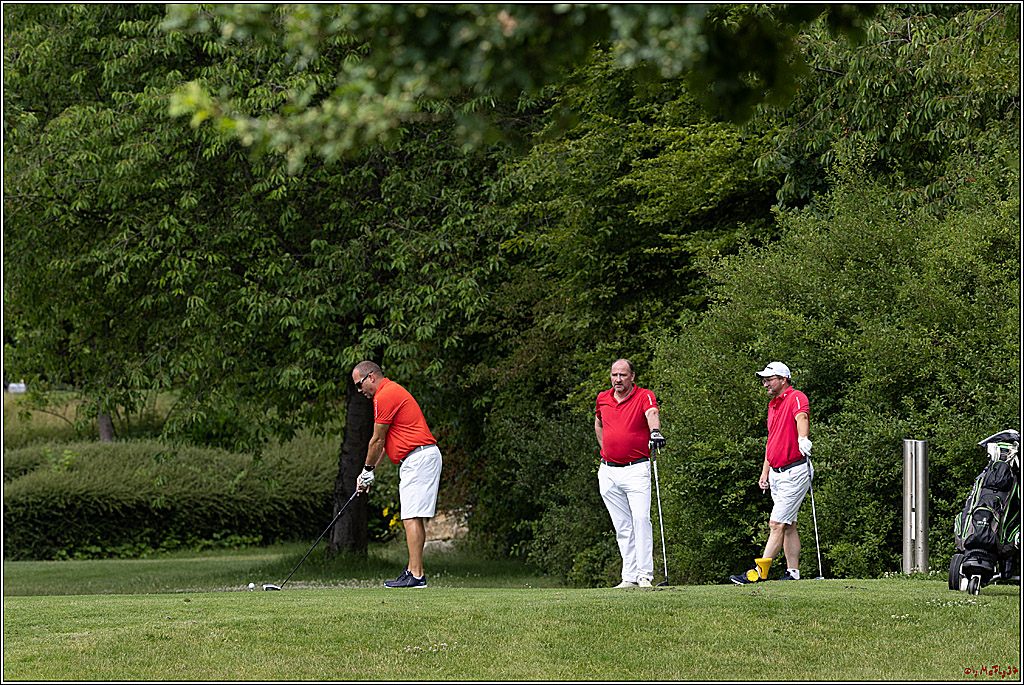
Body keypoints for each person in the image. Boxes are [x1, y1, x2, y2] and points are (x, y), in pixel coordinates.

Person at [352, 361, 443, 589]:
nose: (359, 390)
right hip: (416, 458)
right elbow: (384, 445)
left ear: (371, 377)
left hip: (419, 457)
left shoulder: (385, 395)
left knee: (411, 516)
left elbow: (377, 440)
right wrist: (369, 473)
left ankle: (416, 574)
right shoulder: (387, 393)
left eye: (360, 384)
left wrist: (366, 470)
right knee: (412, 516)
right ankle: (413, 571)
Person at [730, 361, 813, 584]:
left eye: (769, 379)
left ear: (783, 379)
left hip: (795, 470)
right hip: (776, 473)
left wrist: (803, 438)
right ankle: (792, 572)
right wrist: (765, 471)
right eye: (764, 380)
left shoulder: (796, 396)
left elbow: (801, 418)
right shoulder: (773, 405)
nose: (765, 383)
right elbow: (772, 439)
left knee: (776, 523)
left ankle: (759, 572)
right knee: (788, 524)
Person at [594, 359, 666, 588]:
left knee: (641, 519)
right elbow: (598, 423)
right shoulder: (602, 398)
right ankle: (630, 577)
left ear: (632, 376)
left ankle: (645, 575)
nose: (618, 379)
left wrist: (655, 433)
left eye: (623, 375)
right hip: (608, 471)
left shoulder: (644, 395)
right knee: (622, 526)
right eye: (614, 375)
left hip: (636, 468)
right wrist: (604, 448)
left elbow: (652, 413)